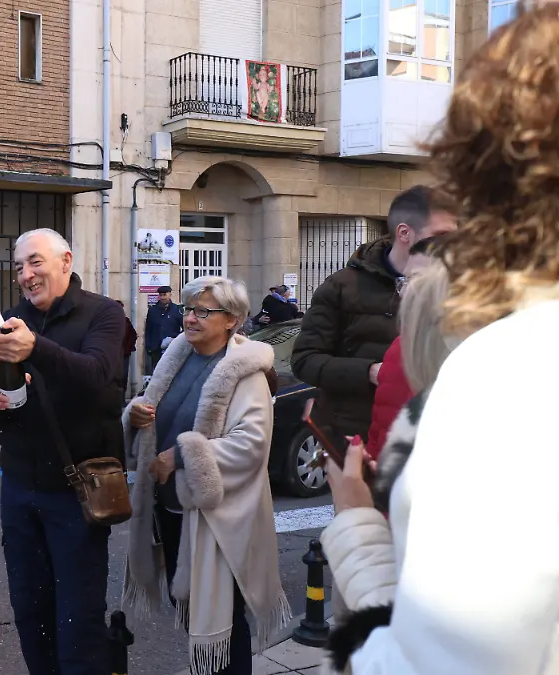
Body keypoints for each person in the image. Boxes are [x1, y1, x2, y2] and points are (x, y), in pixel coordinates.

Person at [321, 8, 559, 672]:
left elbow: (438, 662)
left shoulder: (513, 372)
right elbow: (309, 356)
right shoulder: (342, 287)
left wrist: (360, 537)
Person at [122, 277, 289, 675]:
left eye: (202, 311)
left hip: (216, 520)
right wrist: (136, 415)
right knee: (191, 613)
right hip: (172, 509)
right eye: (187, 309)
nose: (190, 318)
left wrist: (178, 455)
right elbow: (153, 407)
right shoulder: (177, 355)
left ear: (232, 320)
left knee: (223, 622)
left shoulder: (246, 373)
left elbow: (250, 445)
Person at [0, 228, 125, 675]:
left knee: (78, 620)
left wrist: (36, 348)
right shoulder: (11, 318)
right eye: (19, 266)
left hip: (75, 494)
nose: (26, 274)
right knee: (30, 613)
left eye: (35, 262)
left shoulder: (104, 314)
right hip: (20, 491)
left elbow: (98, 377)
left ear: (66, 260)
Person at [291, 185, 456, 439]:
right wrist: (370, 372)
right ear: (405, 233)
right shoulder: (341, 286)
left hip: (428, 434)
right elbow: (305, 360)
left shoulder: (458, 288)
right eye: (441, 234)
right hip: (356, 436)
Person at [364, 235, 449, 460]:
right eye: (404, 280)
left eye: (415, 280)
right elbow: (380, 429)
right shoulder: (400, 346)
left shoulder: (476, 358)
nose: (403, 292)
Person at [144, 286, 182, 373]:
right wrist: (148, 346)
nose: (163, 297)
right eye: (161, 295)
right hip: (155, 349)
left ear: (170, 295)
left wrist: (174, 339)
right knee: (157, 372)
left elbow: (185, 329)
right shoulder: (153, 310)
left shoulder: (176, 310)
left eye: (165, 295)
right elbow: (148, 330)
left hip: (171, 348)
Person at [116, 299, 139, 389]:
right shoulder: (107, 322)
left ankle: (122, 399)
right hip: (112, 355)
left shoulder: (126, 321)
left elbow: (133, 336)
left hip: (124, 354)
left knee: (123, 376)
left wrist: (126, 349)